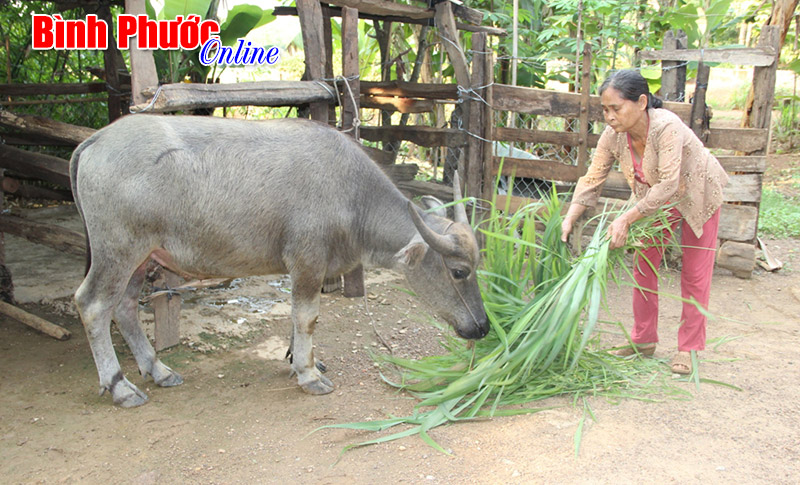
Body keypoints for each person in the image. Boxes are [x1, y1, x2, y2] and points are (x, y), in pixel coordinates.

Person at [560, 69, 728, 375]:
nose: (609, 117)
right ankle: (643, 339)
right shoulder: (613, 136)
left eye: (616, 108)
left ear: (641, 102)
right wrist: (572, 214)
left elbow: (668, 184)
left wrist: (625, 217)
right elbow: (593, 177)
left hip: (696, 192)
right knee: (644, 266)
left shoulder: (667, 126)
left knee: (694, 272)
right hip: (655, 203)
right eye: (605, 109)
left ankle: (688, 349)